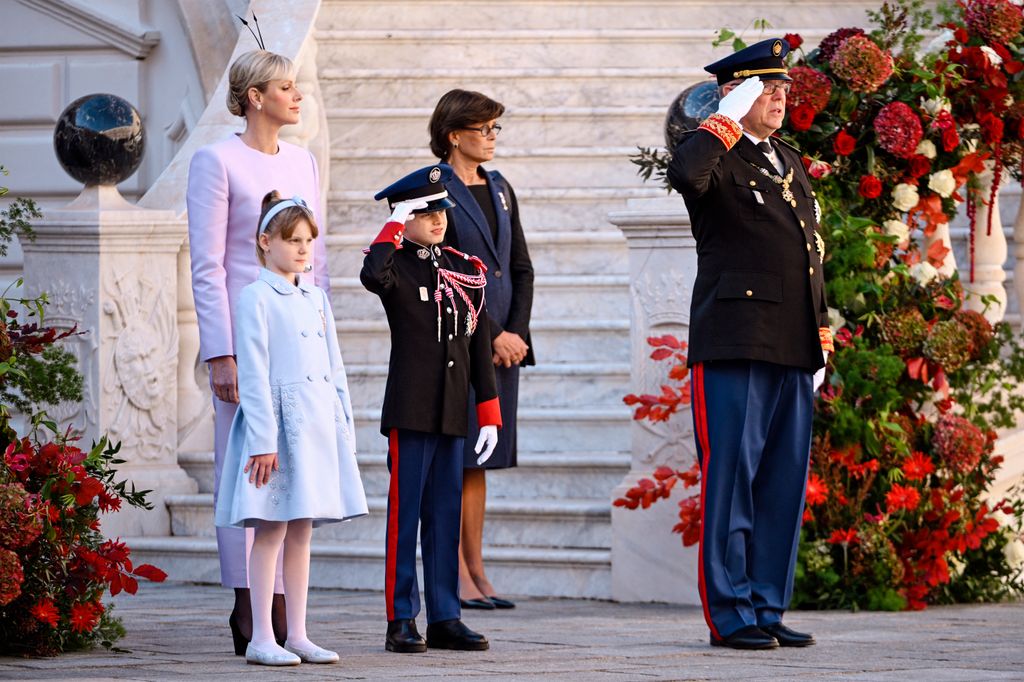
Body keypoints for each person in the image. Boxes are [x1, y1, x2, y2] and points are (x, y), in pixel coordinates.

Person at [666, 38, 832, 650]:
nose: (781, 99)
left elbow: (809, 252)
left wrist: (819, 332)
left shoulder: (786, 159)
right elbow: (686, 173)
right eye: (767, 89)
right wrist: (725, 116)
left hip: (792, 341)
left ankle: (766, 604)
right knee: (730, 479)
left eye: (784, 90)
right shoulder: (713, 154)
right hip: (735, 338)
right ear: (736, 94)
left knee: (781, 485)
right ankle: (730, 612)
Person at [186, 49, 329, 654]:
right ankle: (248, 605)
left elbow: (313, 261)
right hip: (244, 343)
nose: (297, 97)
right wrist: (221, 353)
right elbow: (208, 264)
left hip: (297, 342)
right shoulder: (214, 161)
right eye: (285, 88)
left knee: (295, 468)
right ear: (254, 97)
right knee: (244, 469)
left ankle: (285, 616)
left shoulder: (304, 161)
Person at [214, 191, 367, 666]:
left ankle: (297, 632)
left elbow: (334, 366)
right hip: (277, 429)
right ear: (265, 242)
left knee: (302, 529)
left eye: (308, 241)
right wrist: (263, 440)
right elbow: (254, 374)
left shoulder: (315, 296)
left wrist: (344, 426)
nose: (303, 250)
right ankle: (262, 636)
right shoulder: (255, 297)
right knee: (271, 530)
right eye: (292, 240)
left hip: (318, 423)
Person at [360, 163, 501, 653]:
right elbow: (372, 274)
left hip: (451, 410)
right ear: (405, 215)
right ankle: (401, 617)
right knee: (406, 518)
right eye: (424, 210)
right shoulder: (395, 264)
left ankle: (445, 615)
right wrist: (393, 226)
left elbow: (479, 343)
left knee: (444, 515)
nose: (437, 219)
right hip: (411, 408)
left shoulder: (465, 269)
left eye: (440, 208)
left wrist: (488, 411)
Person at [428, 89, 535, 610]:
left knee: (481, 460)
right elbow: (443, 270)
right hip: (460, 344)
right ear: (454, 134)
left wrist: (515, 333)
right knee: (458, 459)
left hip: (502, 351)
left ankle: (476, 568)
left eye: (497, 129)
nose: (492, 138)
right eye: (484, 129)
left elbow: (520, 267)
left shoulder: (501, 187)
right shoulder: (434, 190)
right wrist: (491, 332)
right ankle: (456, 576)